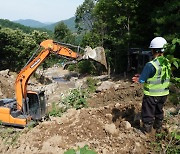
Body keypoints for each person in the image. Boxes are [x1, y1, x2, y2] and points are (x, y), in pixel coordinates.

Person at [132, 37, 171, 133]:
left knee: (148, 112)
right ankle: (158, 127)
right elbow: (158, 75)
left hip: (151, 95)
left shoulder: (151, 65)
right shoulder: (168, 62)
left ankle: (146, 130)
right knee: (159, 110)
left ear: (153, 50)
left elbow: (141, 80)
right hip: (164, 93)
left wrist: (138, 78)